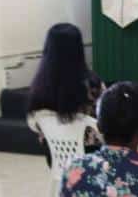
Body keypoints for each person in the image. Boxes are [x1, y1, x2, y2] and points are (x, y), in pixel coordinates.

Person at [27, 23, 104, 162]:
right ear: (78, 49)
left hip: (56, 157)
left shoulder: (39, 87)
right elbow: (103, 122)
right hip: (90, 160)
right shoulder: (93, 85)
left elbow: (35, 126)